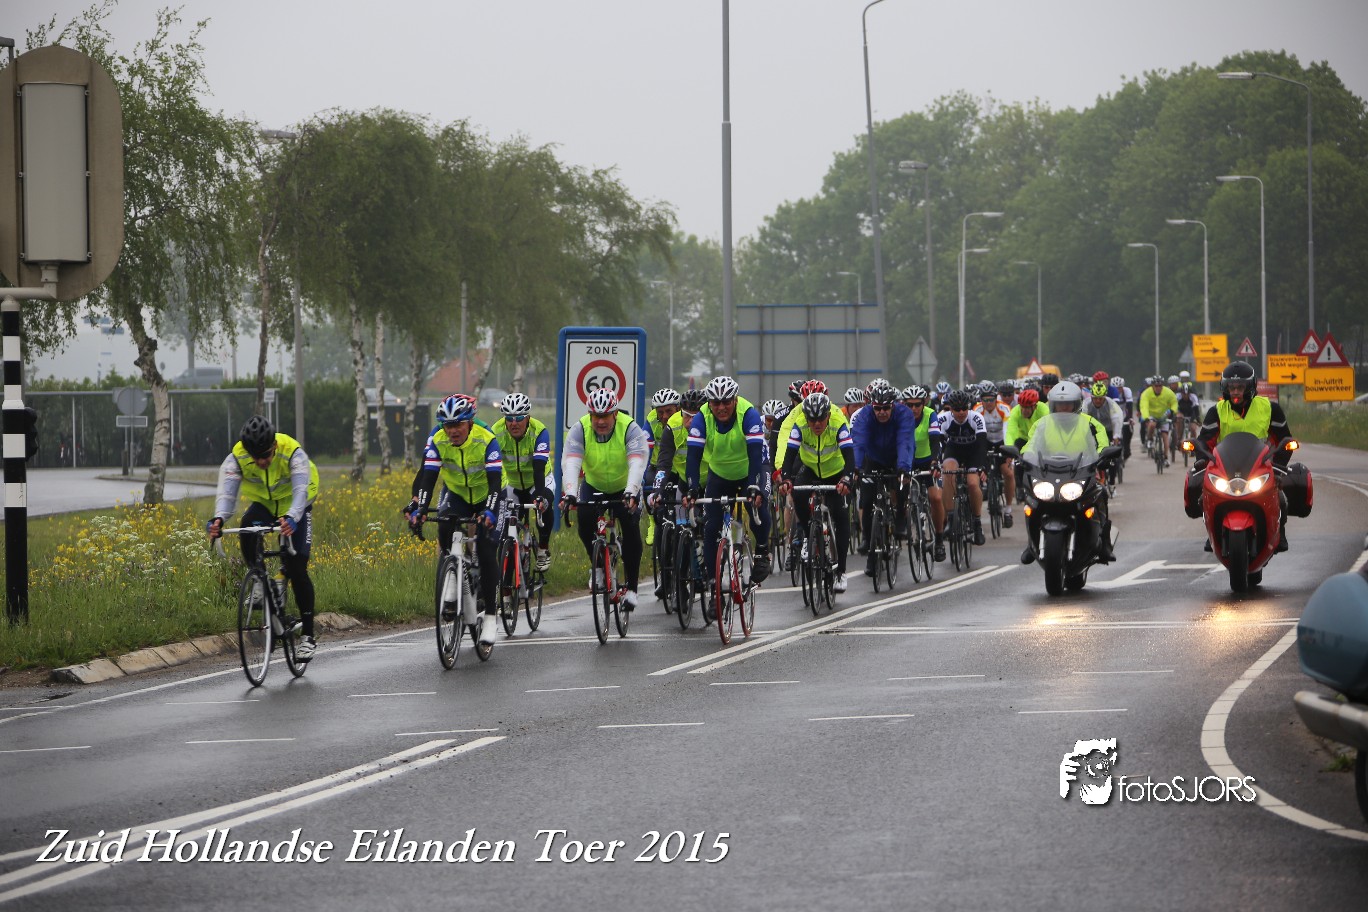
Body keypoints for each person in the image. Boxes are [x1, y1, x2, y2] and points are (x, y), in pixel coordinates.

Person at [208, 416, 322, 660]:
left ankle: (308, 636)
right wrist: (218, 519)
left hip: (297, 503)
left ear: (274, 446)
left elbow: (300, 491)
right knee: (247, 526)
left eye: (266, 455)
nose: (261, 462)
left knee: (297, 567)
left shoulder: (292, 452)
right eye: (256, 457)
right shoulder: (237, 457)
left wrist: (292, 517)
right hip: (266, 505)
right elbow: (227, 494)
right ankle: (260, 578)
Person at [409, 394, 504, 647]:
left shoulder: (487, 440)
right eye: (447, 425)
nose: (452, 431)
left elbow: (495, 483)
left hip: (489, 495)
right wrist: (420, 508)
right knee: (444, 525)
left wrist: (490, 511)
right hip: (458, 494)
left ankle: (491, 618)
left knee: (486, 549)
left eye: (458, 424)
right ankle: (452, 579)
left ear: (470, 422)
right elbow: (428, 478)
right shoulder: (438, 440)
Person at [559, 388, 650, 609]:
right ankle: (599, 566)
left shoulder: (630, 428)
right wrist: (570, 493)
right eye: (596, 416)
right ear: (590, 415)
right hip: (594, 484)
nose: (600, 421)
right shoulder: (580, 429)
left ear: (615, 413)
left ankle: (632, 589)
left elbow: (637, 463)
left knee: (630, 529)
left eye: (605, 416)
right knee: (584, 523)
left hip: (624, 486)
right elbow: (571, 462)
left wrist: (631, 491)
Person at [1192, 360, 1295, 551]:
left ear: (1251, 387)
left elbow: (1285, 440)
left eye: (1240, 387)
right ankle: (1212, 533)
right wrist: (1202, 460)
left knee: (1280, 497)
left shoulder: (1269, 408)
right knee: (1203, 496)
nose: (1235, 392)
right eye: (1231, 387)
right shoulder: (1217, 411)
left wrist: (1278, 466)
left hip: (1260, 465)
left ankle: (1280, 532)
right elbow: (1205, 441)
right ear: (1225, 388)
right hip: (1225, 467)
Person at [682, 376, 772, 591]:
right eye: (716, 403)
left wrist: (754, 487)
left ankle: (762, 551)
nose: (721, 407)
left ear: (735, 400)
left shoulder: (748, 414)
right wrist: (692, 489)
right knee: (711, 526)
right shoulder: (702, 417)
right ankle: (714, 584)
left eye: (726, 402)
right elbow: (693, 457)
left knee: (757, 506)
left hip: (751, 467)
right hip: (720, 473)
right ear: (709, 403)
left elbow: (755, 456)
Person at [1020, 380, 1114, 563]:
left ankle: (1104, 542)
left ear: (1077, 405)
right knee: (1032, 501)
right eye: (1059, 405)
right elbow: (1031, 444)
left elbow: (1102, 443)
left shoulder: (1090, 424)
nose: (1063, 409)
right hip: (1048, 473)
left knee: (1101, 494)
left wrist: (1103, 456)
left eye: (1067, 405)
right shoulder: (1042, 425)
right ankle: (1032, 543)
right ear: (1052, 405)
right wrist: (1024, 457)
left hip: (1081, 471)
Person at [778, 391, 856, 593]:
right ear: (806, 417)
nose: (817, 424)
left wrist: (847, 479)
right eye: (812, 420)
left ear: (828, 415)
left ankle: (841, 571)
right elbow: (789, 455)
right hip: (811, 469)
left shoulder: (838, 422)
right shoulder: (800, 424)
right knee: (798, 495)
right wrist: (786, 478)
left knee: (840, 515)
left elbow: (850, 456)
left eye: (821, 418)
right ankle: (807, 535)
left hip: (835, 472)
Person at [851, 382, 915, 575]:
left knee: (902, 484)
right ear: (872, 406)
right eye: (877, 408)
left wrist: (903, 468)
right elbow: (859, 443)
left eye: (886, 408)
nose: (882, 412)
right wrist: (856, 468)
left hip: (897, 456)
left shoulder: (904, 414)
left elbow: (905, 441)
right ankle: (869, 544)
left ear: (893, 405)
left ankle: (901, 517)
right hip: (874, 458)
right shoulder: (864, 416)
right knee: (867, 500)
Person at [490, 392, 554, 571]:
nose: (514, 423)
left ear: (528, 417)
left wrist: (539, 496)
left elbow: (539, 468)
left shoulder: (539, 431)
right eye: (509, 418)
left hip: (539, 480)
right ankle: (507, 582)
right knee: (506, 532)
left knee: (544, 505)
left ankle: (543, 548)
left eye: (519, 418)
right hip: (513, 484)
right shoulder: (496, 432)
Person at [935, 388, 989, 547]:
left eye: (964, 408)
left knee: (972, 483)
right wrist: (936, 462)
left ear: (969, 407)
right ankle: (951, 518)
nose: (961, 412)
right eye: (957, 409)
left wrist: (982, 467)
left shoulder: (976, 417)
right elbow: (938, 444)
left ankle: (977, 523)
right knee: (948, 474)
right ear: (950, 409)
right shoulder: (942, 419)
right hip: (954, 451)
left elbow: (982, 445)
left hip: (973, 452)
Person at [973, 380, 1016, 528]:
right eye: (985, 400)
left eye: (991, 399)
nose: (989, 403)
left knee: (1008, 473)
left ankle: (1008, 510)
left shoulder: (1004, 408)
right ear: (981, 400)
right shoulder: (977, 410)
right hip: (985, 441)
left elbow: (1007, 430)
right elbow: (977, 433)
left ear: (996, 398)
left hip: (1001, 442)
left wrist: (1008, 452)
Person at [1138, 375, 1179, 465]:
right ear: (1152, 386)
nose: (1158, 388)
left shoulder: (1168, 392)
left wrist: (1172, 411)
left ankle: (1165, 457)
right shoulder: (1146, 393)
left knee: (1165, 436)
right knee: (1152, 425)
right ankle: (1150, 439)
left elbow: (1174, 402)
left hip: (1164, 416)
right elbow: (1144, 406)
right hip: (1151, 415)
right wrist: (1146, 417)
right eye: (1156, 386)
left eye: (1160, 386)